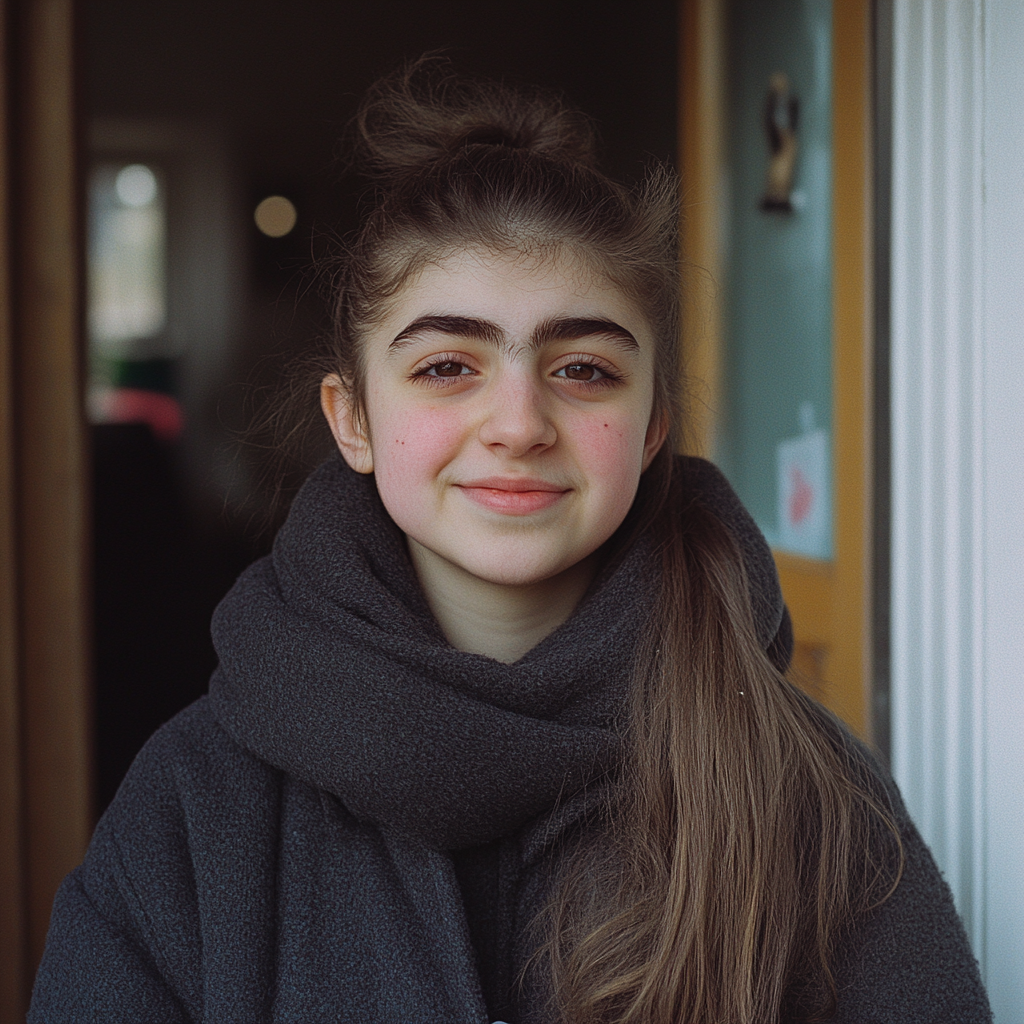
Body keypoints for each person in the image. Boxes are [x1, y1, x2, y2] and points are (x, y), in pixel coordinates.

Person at [30, 61, 990, 1024]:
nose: (518, 422)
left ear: (655, 423)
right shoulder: (193, 811)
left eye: (582, 368)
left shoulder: (808, 800)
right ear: (352, 417)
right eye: (449, 365)